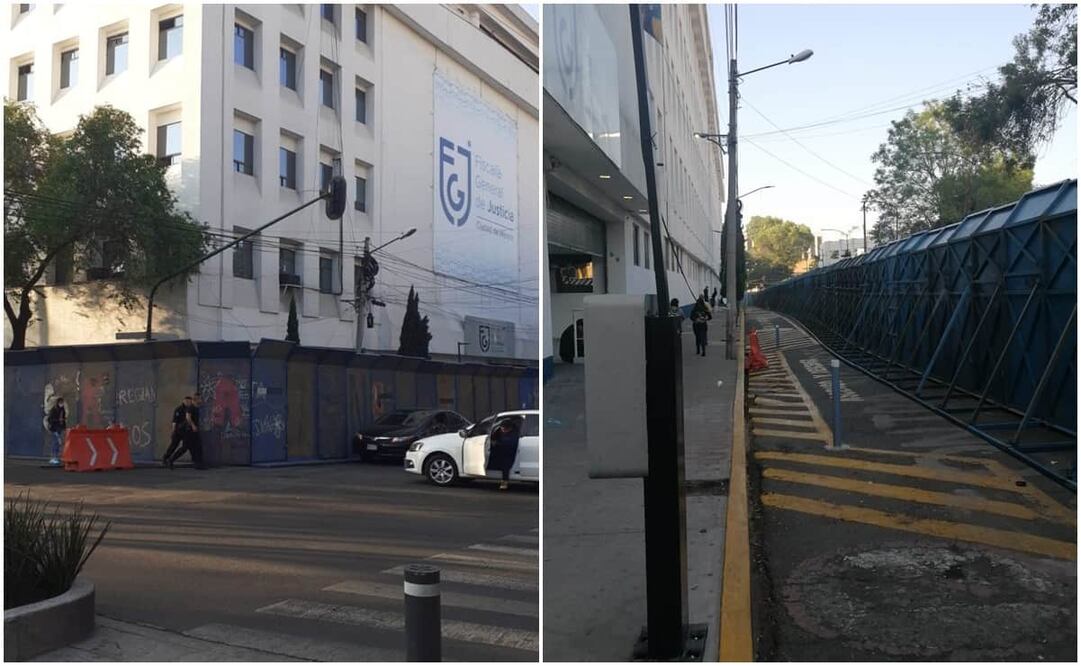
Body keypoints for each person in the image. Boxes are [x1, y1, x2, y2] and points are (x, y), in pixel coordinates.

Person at [486, 417, 521, 490]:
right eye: (502, 428)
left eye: (505, 429)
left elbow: (510, 443)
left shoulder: (514, 433)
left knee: (505, 465)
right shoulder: (499, 430)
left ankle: (504, 481)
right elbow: (493, 437)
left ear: (510, 428)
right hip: (500, 451)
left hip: (510, 453)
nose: (503, 430)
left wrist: (497, 443)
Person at [162, 396, 192, 468]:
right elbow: (174, 421)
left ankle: (172, 459)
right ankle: (165, 458)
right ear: (183, 401)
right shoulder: (179, 409)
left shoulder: (191, 409)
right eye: (186, 401)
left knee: (185, 447)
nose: (188, 403)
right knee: (173, 445)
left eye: (189, 401)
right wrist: (173, 431)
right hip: (178, 430)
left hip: (186, 431)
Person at [47, 397, 67, 465]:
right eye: (61, 402)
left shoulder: (62, 410)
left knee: (58, 443)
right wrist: (57, 421)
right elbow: (50, 419)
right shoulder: (54, 410)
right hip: (54, 428)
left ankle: (56, 457)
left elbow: (63, 419)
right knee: (55, 442)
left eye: (62, 402)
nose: (62, 404)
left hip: (59, 428)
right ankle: (53, 457)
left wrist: (64, 427)